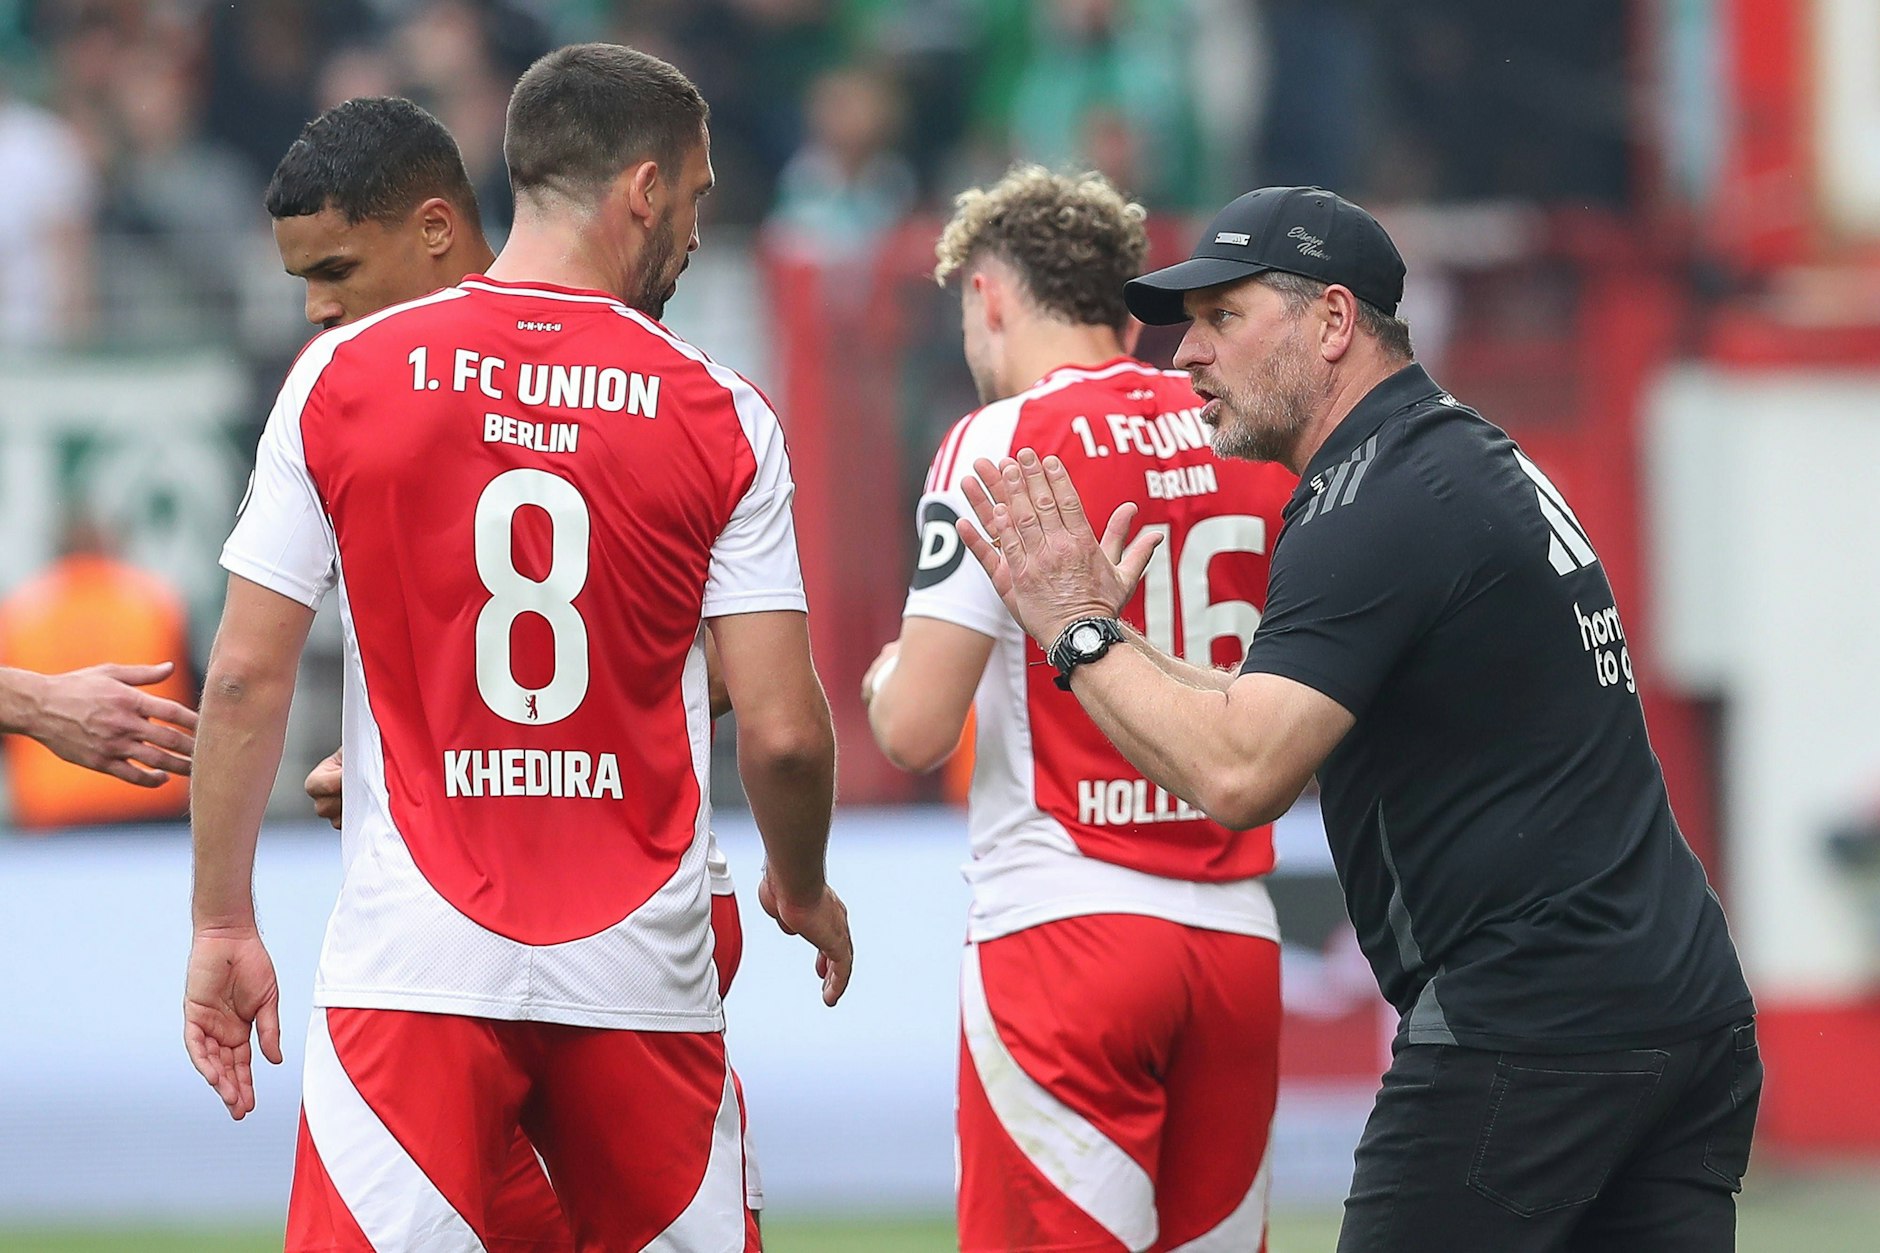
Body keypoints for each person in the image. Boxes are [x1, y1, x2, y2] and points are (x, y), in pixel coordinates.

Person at [956, 185, 1760, 1253]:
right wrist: (1105, 627)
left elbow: (1245, 772)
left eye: (1223, 318)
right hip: (1675, 1005)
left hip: (1531, 1020)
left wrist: (1078, 640)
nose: (1185, 354)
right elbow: (1253, 709)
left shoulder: (1373, 502)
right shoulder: (1449, 457)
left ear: (1333, 322)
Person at [186, 45, 850, 1252]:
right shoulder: (719, 406)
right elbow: (787, 728)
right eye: (697, 198)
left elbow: (241, 674)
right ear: (643, 191)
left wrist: (223, 923)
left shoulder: (340, 375)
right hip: (639, 954)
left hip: (416, 955)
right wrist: (801, 883)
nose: (698, 231)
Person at [863, 165, 1295, 1253]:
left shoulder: (999, 438)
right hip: (1236, 930)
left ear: (989, 297)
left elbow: (915, 728)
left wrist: (878, 678)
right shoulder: (1238, 432)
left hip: (1064, 924)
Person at [0, 517, 194, 827]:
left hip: (54, 807)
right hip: (153, 793)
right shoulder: (154, 599)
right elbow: (195, 690)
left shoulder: (20, 609)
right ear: (113, 544)